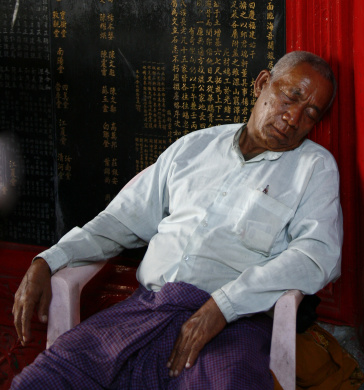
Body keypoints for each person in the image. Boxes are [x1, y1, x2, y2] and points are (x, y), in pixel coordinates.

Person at [12, 51, 343, 389]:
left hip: (235, 324)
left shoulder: (313, 169)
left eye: (310, 113)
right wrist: (49, 260)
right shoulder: (195, 147)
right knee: (44, 380)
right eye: (291, 96)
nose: (293, 117)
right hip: (147, 309)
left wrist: (224, 305)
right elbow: (120, 220)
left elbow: (318, 255)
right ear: (261, 84)